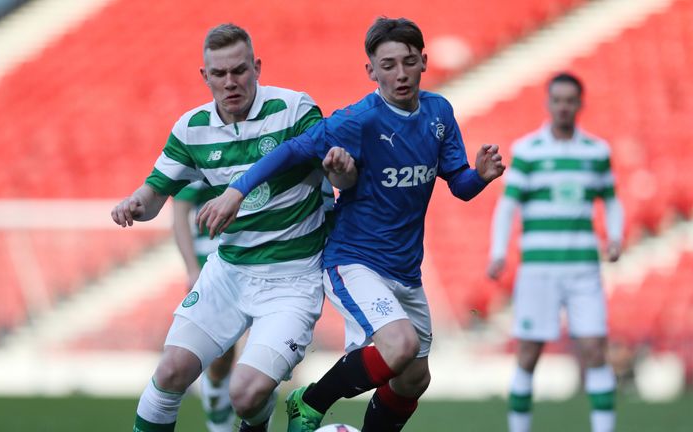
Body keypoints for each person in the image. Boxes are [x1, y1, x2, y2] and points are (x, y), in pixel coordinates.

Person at [196, 17, 505, 432]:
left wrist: (480, 177)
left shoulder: (439, 113)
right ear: (371, 71)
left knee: (414, 378)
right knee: (401, 348)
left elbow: (460, 185)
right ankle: (310, 401)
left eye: (408, 62)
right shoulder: (359, 120)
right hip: (354, 260)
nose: (400, 74)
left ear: (424, 62)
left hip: (406, 269)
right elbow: (291, 151)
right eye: (388, 64)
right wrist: (237, 190)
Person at [111, 23, 356, 432]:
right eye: (219, 74)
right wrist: (135, 203)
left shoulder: (295, 110)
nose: (230, 83)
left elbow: (341, 182)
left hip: (291, 281)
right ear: (204, 76)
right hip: (228, 273)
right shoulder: (191, 129)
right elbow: (155, 194)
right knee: (170, 372)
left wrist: (344, 173)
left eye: (239, 71)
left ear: (257, 68)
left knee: (246, 393)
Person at [486, 72, 623, 432]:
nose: (563, 106)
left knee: (595, 351)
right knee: (529, 355)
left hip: (583, 271)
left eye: (570, 100)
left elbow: (610, 200)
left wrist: (616, 236)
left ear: (579, 104)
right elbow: (507, 205)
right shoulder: (528, 150)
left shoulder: (597, 152)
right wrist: (498, 251)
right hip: (538, 271)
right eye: (557, 100)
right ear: (548, 104)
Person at [172, 181, 236, 432]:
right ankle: (219, 423)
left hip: (259, 261)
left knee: (261, 360)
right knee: (222, 355)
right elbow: (179, 215)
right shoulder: (198, 150)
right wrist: (191, 269)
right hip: (211, 267)